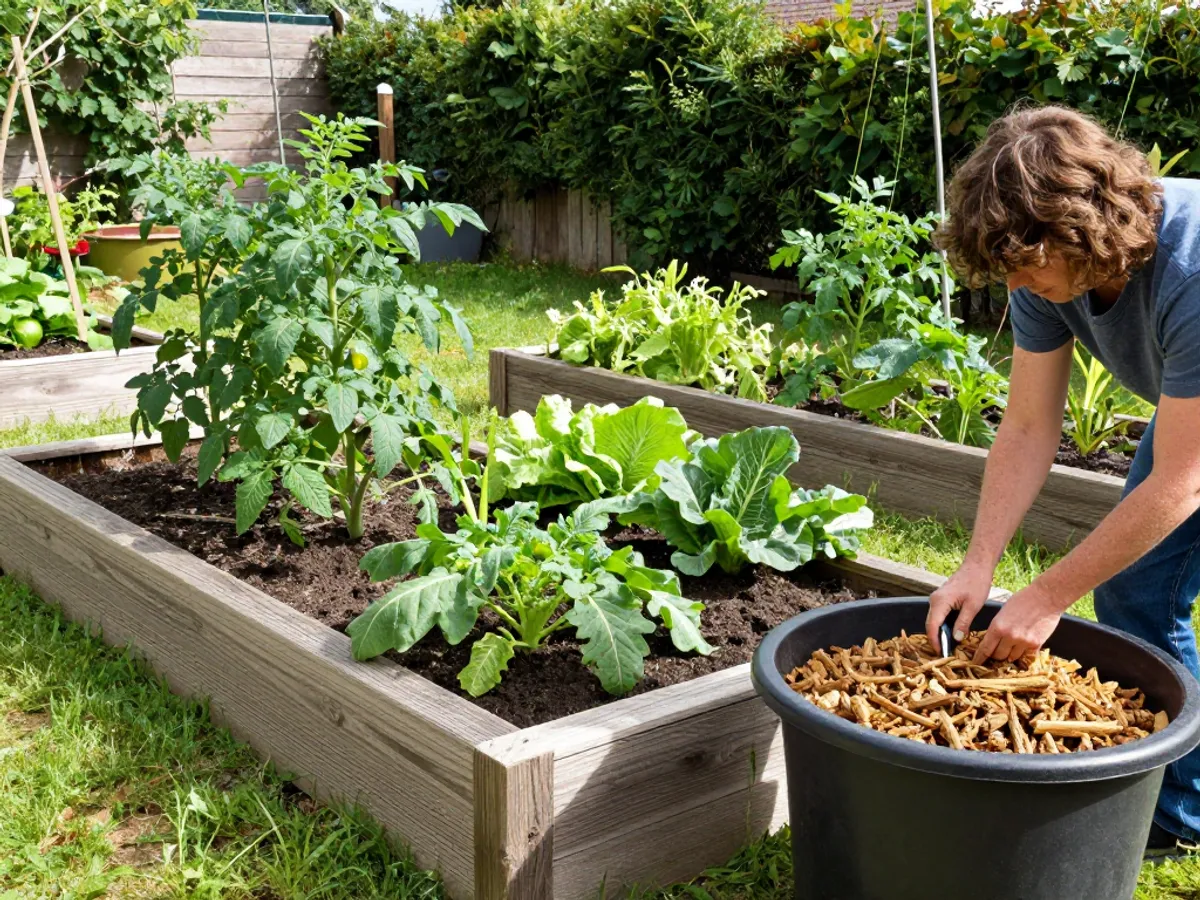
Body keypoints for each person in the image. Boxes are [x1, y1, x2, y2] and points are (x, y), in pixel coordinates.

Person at [927, 105, 1200, 854]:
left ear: (1083, 231)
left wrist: (1047, 595)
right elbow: (1025, 427)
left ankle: (1180, 811)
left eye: (1025, 264)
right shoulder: (1043, 272)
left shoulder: (1194, 267)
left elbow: (1182, 479)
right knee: (1138, 588)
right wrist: (978, 566)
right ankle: (1179, 815)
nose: (1014, 282)